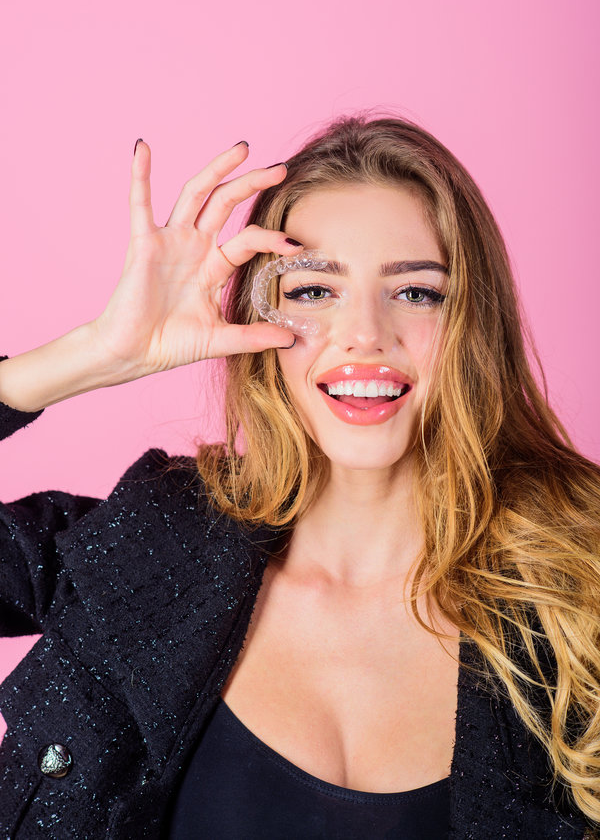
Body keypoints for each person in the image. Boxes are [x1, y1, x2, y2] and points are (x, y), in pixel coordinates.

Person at [0, 115, 598, 840]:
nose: (365, 335)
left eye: (416, 292)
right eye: (315, 290)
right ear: (261, 317)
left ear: (473, 321)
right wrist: (93, 355)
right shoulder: (148, 545)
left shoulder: (574, 601)